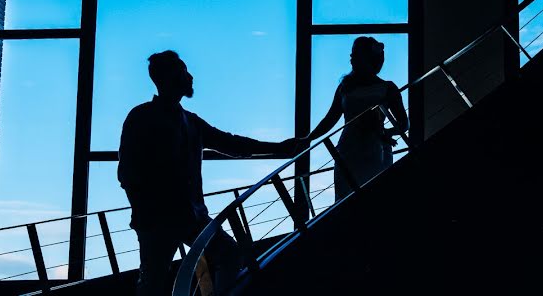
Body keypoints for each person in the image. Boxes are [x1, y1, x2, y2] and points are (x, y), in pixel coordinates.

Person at [118, 50, 299, 296]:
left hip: (177, 216)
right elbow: (128, 172)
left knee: (156, 280)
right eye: (183, 70)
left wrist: (278, 148)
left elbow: (231, 144)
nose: (190, 76)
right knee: (163, 277)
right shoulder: (165, 119)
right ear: (170, 76)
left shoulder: (160, 118)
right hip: (168, 217)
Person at [306, 36, 409, 201]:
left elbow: (404, 124)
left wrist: (385, 133)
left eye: (355, 53)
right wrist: (308, 138)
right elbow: (330, 119)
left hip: (376, 149)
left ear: (366, 57)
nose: (351, 57)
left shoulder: (388, 87)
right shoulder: (345, 87)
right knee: (345, 198)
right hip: (348, 149)